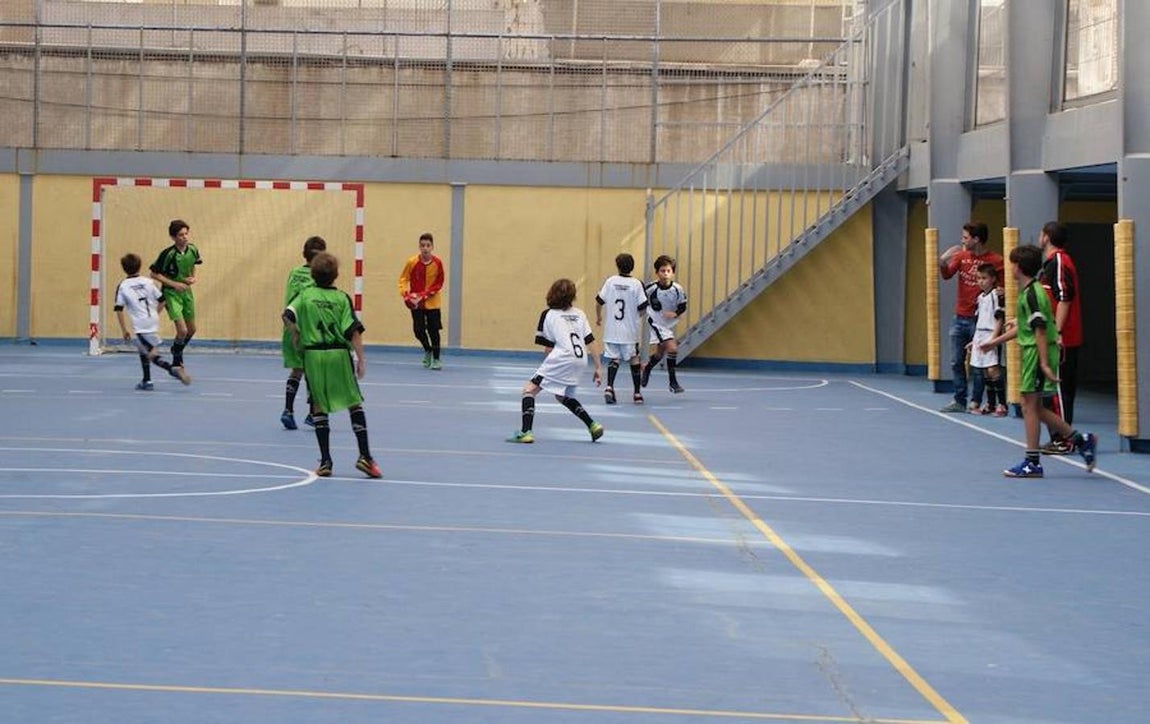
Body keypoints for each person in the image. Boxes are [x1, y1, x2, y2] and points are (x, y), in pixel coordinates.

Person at [979, 245, 1096, 478]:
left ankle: (1032, 462)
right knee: (1034, 407)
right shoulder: (1027, 292)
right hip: (1033, 351)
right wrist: (995, 342)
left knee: (1028, 405)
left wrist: (1043, 363)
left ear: (1019, 268)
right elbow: (1026, 328)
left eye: (1012, 264)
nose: (1009, 268)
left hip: (1038, 353)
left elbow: (1040, 330)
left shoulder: (1033, 294)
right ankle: (1081, 440)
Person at [283, 252, 382, 479]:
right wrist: (361, 360)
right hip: (338, 354)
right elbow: (353, 331)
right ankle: (365, 456)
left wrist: (296, 334)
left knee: (318, 405)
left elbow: (287, 314)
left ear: (313, 275)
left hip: (314, 356)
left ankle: (326, 461)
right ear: (336, 275)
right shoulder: (341, 298)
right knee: (354, 403)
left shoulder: (305, 295)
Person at [507, 278, 604, 444]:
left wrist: (548, 369)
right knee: (563, 396)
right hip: (581, 360)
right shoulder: (580, 314)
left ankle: (526, 432)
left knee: (529, 390)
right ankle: (593, 425)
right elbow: (590, 341)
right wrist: (598, 367)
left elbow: (548, 348)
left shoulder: (548, 314)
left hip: (563, 357)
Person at [938, 221, 1003, 412]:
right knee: (956, 360)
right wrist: (942, 262)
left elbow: (1004, 285)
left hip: (982, 320)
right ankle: (960, 399)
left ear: (976, 239)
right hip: (960, 315)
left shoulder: (995, 260)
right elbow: (947, 274)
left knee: (980, 364)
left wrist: (1003, 291)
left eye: (966, 237)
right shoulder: (962, 256)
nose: (962, 241)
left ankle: (977, 401)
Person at [1038, 221, 1084, 455]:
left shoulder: (1058, 262)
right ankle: (1059, 436)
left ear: (1046, 237)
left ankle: (1066, 439)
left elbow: (1065, 297)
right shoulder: (1051, 264)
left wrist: (1056, 331)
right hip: (1058, 336)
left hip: (1063, 338)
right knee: (1051, 391)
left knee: (1059, 391)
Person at [113, 253, 191, 390]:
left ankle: (172, 369)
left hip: (140, 325)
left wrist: (124, 330)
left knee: (151, 354)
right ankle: (147, 380)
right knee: (143, 350)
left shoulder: (123, 286)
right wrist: (155, 313)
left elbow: (119, 309)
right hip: (152, 321)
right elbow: (162, 299)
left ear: (124, 268)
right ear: (140, 266)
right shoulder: (148, 282)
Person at [280, 235, 327, 430]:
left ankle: (288, 410)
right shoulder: (318, 278)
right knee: (314, 371)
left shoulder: (294, 272)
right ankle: (312, 413)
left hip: (288, 327)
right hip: (307, 330)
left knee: (297, 370)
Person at [595, 252, 649, 405]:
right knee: (634, 358)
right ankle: (637, 393)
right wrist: (636, 316)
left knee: (614, 358)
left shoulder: (611, 281)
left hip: (611, 330)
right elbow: (643, 307)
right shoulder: (637, 284)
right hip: (629, 331)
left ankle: (609, 387)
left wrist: (598, 317)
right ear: (632, 267)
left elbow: (599, 301)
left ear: (617, 266)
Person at [149, 219, 201, 371]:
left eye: (186, 234)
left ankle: (176, 349)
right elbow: (154, 274)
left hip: (186, 292)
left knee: (191, 330)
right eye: (180, 235)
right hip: (171, 293)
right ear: (173, 237)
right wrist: (174, 284)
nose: (185, 237)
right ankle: (177, 361)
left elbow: (192, 266)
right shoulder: (168, 254)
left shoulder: (193, 249)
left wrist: (191, 277)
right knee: (182, 331)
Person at [640, 254, 688, 394]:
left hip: (669, 323)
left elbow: (683, 306)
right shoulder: (651, 288)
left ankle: (647, 368)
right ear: (657, 272)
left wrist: (676, 313)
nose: (665, 274)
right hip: (656, 322)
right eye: (662, 271)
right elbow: (640, 299)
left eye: (668, 271)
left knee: (660, 354)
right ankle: (673, 382)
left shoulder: (678, 289)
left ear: (672, 273)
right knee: (672, 348)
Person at [397, 232, 445, 370]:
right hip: (416, 303)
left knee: (433, 331)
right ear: (419, 246)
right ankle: (427, 350)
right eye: (423, 245)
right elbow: (403, 279)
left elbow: (439, 283)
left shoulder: (437, 263)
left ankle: (436, 359)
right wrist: (405, 294)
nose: (425, 248)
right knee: (418, 330)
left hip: (433, 302)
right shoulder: (412, 262)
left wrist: (424, 295)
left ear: (432, 247)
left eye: (428, 245)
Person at [966, 262, 1007, 416]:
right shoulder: (980, 297)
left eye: (984, 278)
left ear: (993, 279)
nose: (981, 281)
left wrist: (994, 338)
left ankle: (1002, 404)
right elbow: (980, 319)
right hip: (980, 334)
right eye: (978, 278)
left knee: (993, 369)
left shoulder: (996, 296)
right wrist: (974, 340)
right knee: (984, 371)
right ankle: (990, 403)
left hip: (991, 333)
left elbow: (999, 317)